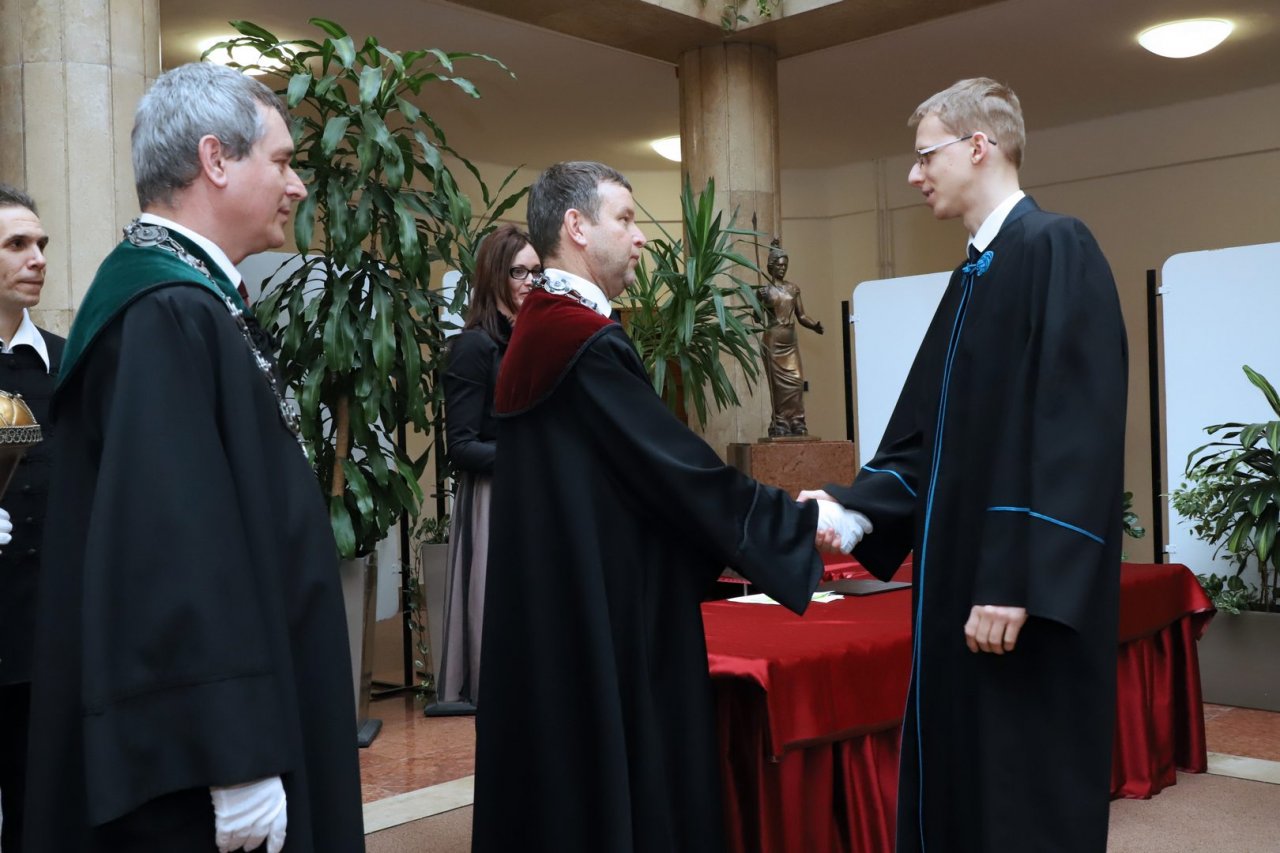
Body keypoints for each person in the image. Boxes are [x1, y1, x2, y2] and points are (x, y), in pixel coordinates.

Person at [23, 63, 364, 852]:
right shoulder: (165, 310)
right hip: (205, 768)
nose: (297, 186)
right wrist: (233, 756)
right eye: (281, 161)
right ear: (216, 159)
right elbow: (174, 548)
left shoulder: (190, 299)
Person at [471, 161, 837, 853]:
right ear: (577, 227)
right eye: (626, 219)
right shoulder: (578, 340)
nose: (641, 237)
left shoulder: (543, 329)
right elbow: (675, 469)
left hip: (564, 608)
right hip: (606, 612)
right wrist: (794, 524)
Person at [804, 78, 1128, 852]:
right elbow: (926, 436)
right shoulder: (972, 276)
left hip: (1013, 602)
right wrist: (853, 509)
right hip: (961, 595)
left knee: (1019, 795)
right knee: (963, 790)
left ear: (979, 146)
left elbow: (1075, 432)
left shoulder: (1057, 246)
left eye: (926, 155)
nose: (913, 174)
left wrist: (1014, 580)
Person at [430, 224, 539, 715]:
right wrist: (528, 457)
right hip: (493, 498)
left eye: (536, 272)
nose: (530, 282)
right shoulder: (473, 346)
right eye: (519, 272)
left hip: (534, 491)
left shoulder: (534, 340)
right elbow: (460, 446)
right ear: (495, 276)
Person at [0, 184, 64, 853]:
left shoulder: (69, 364)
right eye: (17, 244)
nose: (37, 258)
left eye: (41, 244)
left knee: (38, 816)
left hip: (45, 635)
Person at [758, 238, 823, 437]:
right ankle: (780, 423)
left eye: (785, 265)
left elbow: (801, 316)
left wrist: (814, 325)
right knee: (778, 387)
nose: (782, 268)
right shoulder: (766, 291)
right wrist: (761, 301)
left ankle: (797, 421)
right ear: (771, 266)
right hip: (773, 341)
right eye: (779, 265)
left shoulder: (793, 289)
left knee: (796, 382)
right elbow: (757, 317)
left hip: (790, 342)